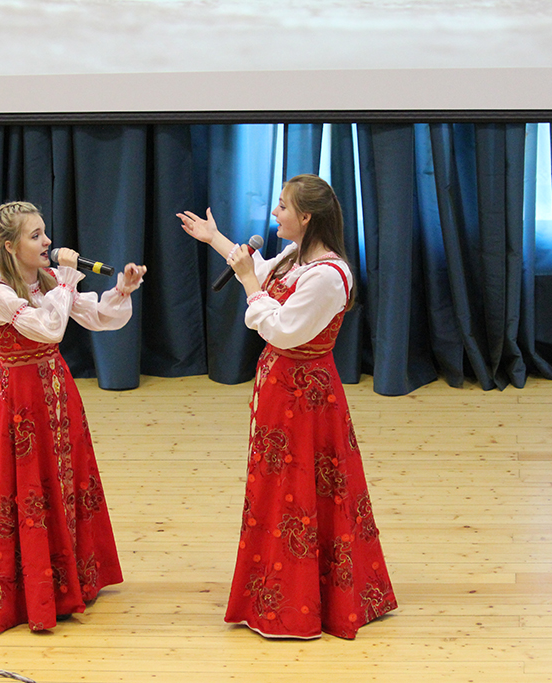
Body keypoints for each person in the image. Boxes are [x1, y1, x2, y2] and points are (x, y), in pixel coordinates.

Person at [178, 174, 396, 640]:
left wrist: (246, 284)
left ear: (307, 216)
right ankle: (274, 589)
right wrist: (215, 238)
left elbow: (282, 329)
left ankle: (298, 603)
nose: (275, 213)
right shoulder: (296, 257)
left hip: (306, 396)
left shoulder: (328, 276)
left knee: (300, 489)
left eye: (282, 206)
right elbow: (259, 271)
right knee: (279, 488)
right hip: (281, 390)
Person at [0, 200, 146, 633]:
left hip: (58, 393)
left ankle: (73, 578)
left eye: (45, 232)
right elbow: (49, 327)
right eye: (36, 235)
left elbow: (100, 317)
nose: (47, 241)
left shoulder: (49, 281)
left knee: (67, 479)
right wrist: (67, 278)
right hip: (23, 404)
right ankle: (34, 589)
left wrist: (122, 290)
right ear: (11, 246)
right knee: (31, 486)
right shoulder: (0, 294)